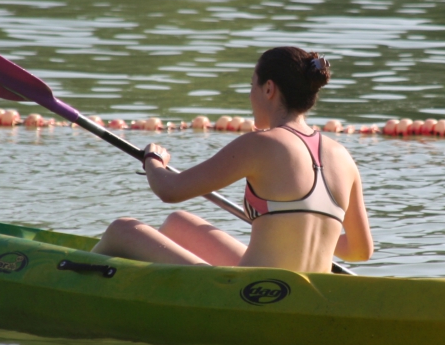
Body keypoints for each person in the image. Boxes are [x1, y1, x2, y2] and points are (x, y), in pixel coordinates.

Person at [91, 47, 374, 273]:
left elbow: (169, 190)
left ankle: (70, 277)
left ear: (268, 89)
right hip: (303, 291)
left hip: (255, 294)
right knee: (179, 222)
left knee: (122, 230)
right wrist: (297, 230)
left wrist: (153, 159)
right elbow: (361, 251)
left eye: (252, 86)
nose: (250, 95)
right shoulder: (342, 156)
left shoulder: (261, 144)